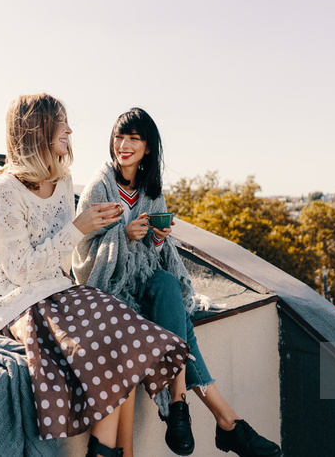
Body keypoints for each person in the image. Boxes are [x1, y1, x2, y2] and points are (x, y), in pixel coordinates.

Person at [0, 95, 190, 457]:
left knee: (127, 332)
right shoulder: (3, 191)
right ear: (37, 130)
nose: (70, 130)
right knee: (101, 346)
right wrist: (79, 228)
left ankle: (104, 450)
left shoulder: (63, 178)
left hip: (56, 287)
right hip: (15, 296)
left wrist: (98, 232)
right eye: (61, 123)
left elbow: (64, 263)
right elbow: (21, 269)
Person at [72, 107, 282, 457]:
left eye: (134, 139)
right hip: (110, 290)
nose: (124, 145)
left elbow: (156, 259)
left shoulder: (152, 190)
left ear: (148, 147)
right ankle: (214, 417)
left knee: (168, 284)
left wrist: (156, 238)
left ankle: (194, 411)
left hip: (143, 285)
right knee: (180, 319)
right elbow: (82, 254)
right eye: (119, 137)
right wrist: (123, 236)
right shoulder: (100, 185)